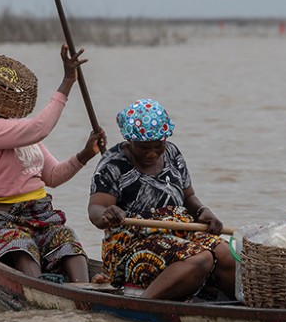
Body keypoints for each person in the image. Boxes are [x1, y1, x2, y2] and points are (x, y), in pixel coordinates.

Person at [0, 47, 106, 283]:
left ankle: (85, 289)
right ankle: (39, 290)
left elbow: (53, 176)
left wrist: (85, 154)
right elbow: (40, 127)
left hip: (38, 214)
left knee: (65, 237)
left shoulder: (19, 133)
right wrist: (68, 82)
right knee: (19, 243)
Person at [87, 99, 235, 301]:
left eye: (158, 146)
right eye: (143, 147)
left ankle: (242, 307)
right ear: (130, 141)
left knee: (226, 253)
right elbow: (96, 208)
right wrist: (107, 215)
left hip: (180, 230)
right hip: (132, 242)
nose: (151, 153)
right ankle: (144, 304)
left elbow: (188, 197)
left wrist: (203, 211)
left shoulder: (173, 153)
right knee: (201, 259)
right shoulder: (112, 164)